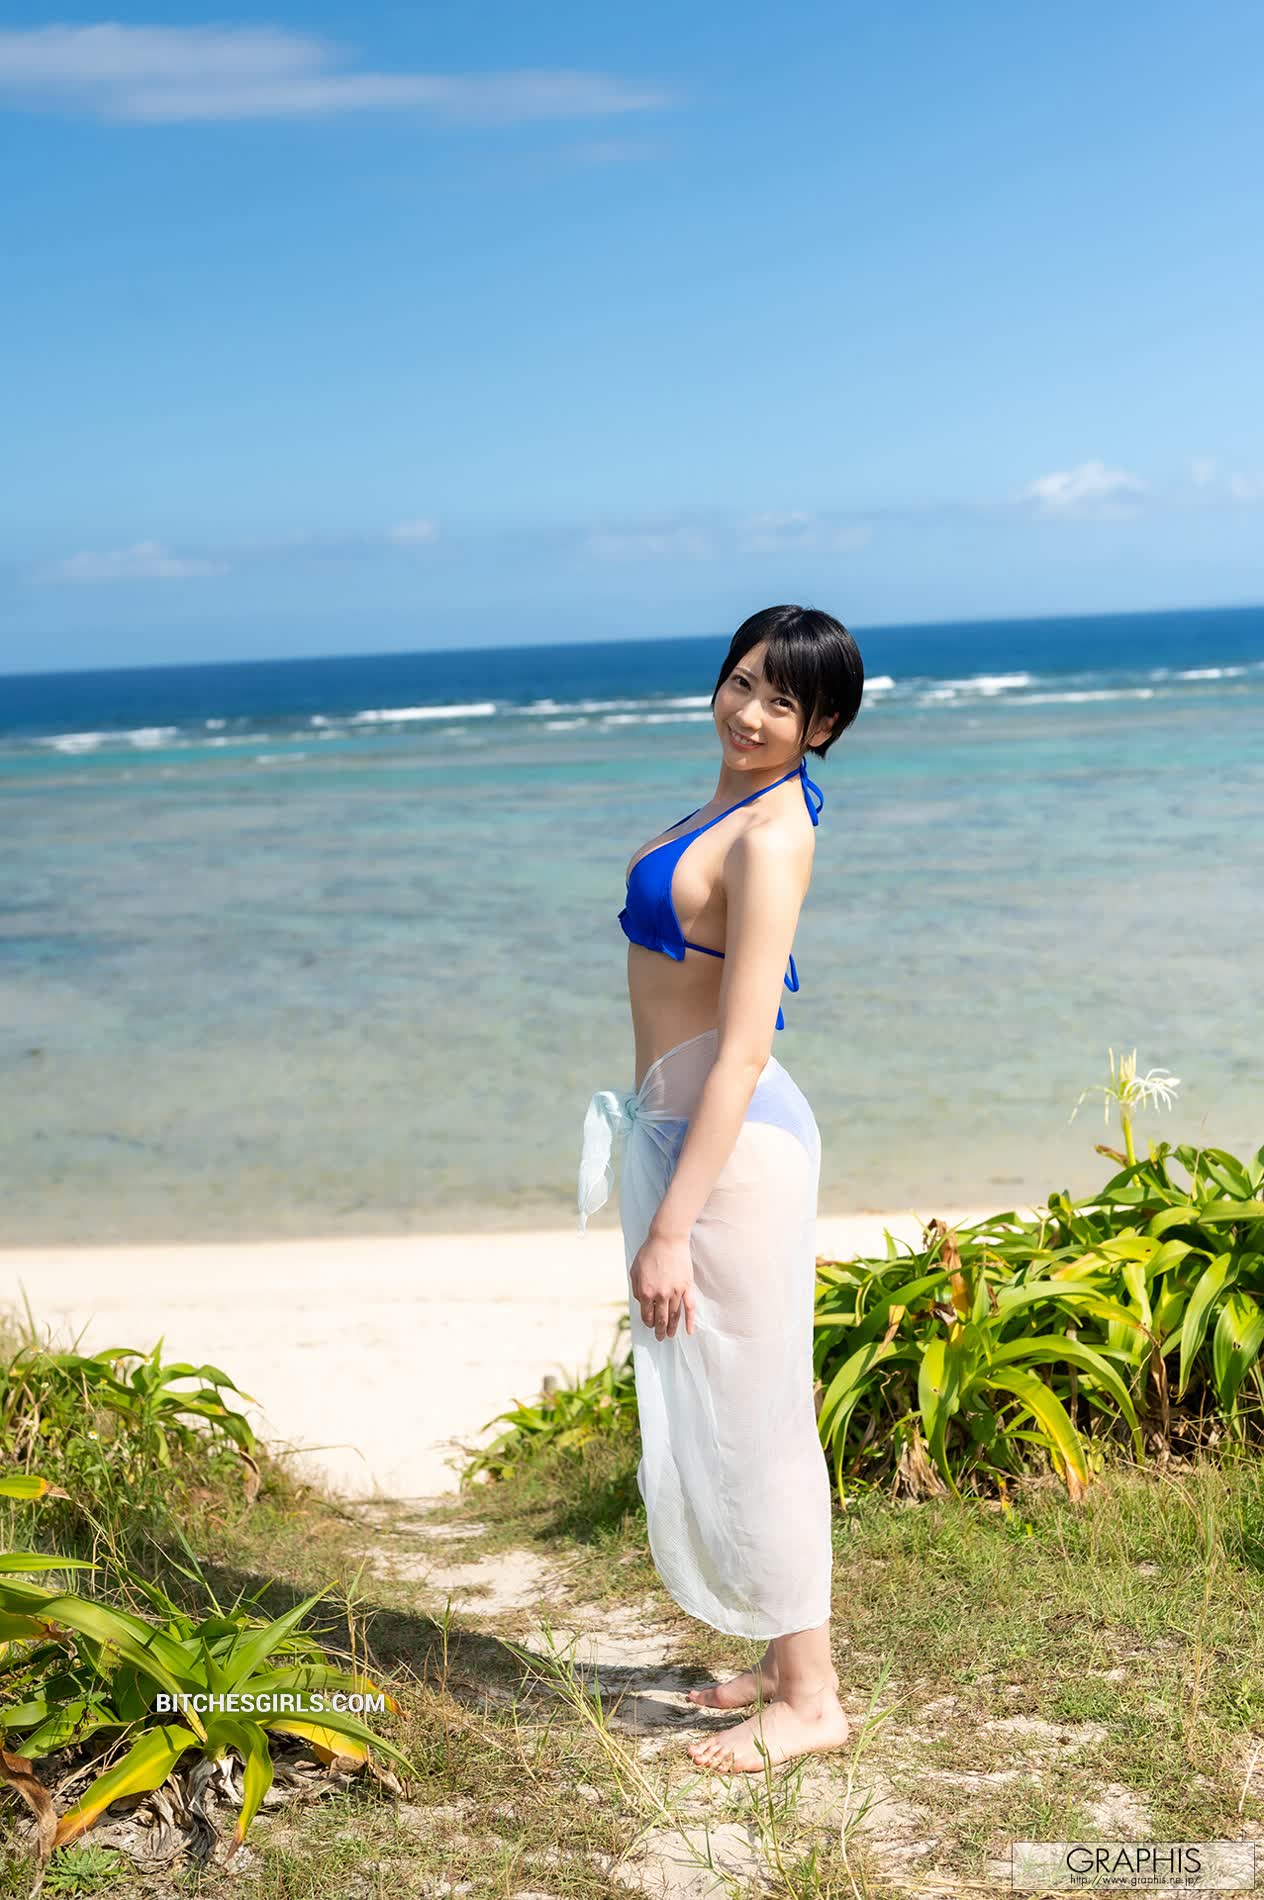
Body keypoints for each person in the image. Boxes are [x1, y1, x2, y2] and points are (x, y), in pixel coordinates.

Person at [577, 603, 866, 1774]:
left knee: (757, 1415)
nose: (750, 712)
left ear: (822, 726)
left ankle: (812, 1697)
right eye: (741, 681)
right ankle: (780, 1660)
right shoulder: (730, 805)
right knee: (733, 1406)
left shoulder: (773, 835)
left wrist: (672, 1227)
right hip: (684, 1132)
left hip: (730, 1155)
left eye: (783, 702)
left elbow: (743, 1051)